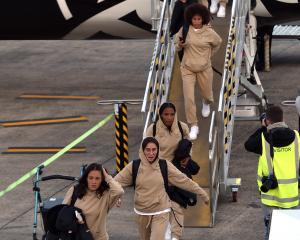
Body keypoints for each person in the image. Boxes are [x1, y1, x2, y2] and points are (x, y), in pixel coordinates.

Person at [114, 137, 209, 240]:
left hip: (161, 211)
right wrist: (117, 195)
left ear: (158, 150)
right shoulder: (134, 166)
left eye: (154, 150)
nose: (151, 153)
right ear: (142, 150)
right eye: (148, 150)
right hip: (142, 212)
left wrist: (202, 193)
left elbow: (184, 181)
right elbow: (115, 182)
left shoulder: (164, 166)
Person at [244, 106, 300, 240]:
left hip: (270, 195)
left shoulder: (263, 138)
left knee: (271, 233)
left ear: (267, 121)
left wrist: (263, 127)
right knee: (291, 234)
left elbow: (248, 145)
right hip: (291, 195)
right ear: (283, 118)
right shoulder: (297, 137)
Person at [176, 3, 222, 140]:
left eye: (199, 19)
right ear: (190, 19)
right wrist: (180, 45)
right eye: (194, 19)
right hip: (187, 68)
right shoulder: (184, 30)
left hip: (204, 69)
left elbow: (218, 42)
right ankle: (193, 125)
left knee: (207, 94)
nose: (196, 22)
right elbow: (176, 47)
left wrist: (209, 56)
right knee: (189, 98)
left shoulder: (209, 32)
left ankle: (206, 102)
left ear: (203, 19)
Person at [63, 163, 124, 240]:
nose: (94, 182)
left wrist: (107, 176)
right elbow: (63, 214)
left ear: (102, 179)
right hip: (77, 237)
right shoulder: (74, 190)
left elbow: (119, 191)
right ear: (86, 178)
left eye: (97, 178)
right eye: (90, 178)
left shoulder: (106, 195)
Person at [168, 139, 200, 240]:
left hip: (174, 192)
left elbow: (195, 169)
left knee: (174, 213)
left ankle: (174, 236)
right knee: (174, 213)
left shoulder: (183, 160)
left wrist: (187, 159)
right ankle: (174, 236)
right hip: (172, 191)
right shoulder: (177, 162)